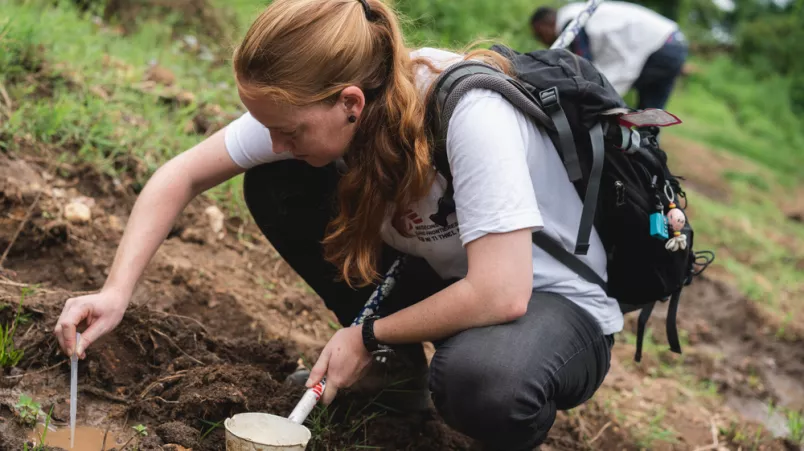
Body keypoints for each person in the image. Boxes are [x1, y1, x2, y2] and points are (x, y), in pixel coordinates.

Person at [54, 0, 621, 448]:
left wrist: (365, 332)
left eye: (289, 131)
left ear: (350, 102)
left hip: (547, 303)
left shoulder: (470, 114)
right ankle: (393, 378)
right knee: (278, 182)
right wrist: (116, 291)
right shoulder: (320, 106)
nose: (274, 142)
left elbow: (501, 293)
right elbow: (179, 176)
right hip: (451, 274)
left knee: (483, 381)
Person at [531, 1, 689, 111]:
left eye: (539, 35)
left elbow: (584, 68)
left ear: (544, 26)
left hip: (657, 47)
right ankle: (646, 155)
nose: (542, 41)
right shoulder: (579, 12)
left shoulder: (570, 22)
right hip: (674, 43)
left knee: (601, 101)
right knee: (649, 117)